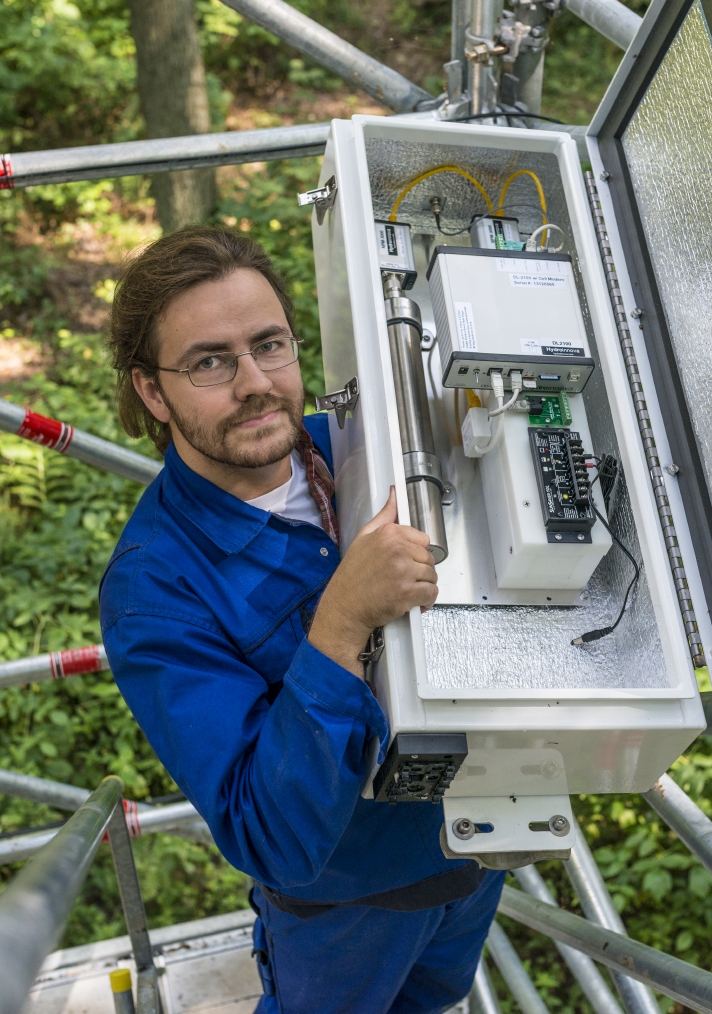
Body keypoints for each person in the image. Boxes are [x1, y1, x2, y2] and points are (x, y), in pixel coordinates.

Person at [99, 227, 504, 1013]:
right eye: (211, 361)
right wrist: (340, 620)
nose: (255, 382)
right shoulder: (155, 587)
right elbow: (268, 837)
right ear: (153, 391)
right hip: (340, 915)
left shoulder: (359, 449)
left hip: (470, 857)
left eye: (269, 345)